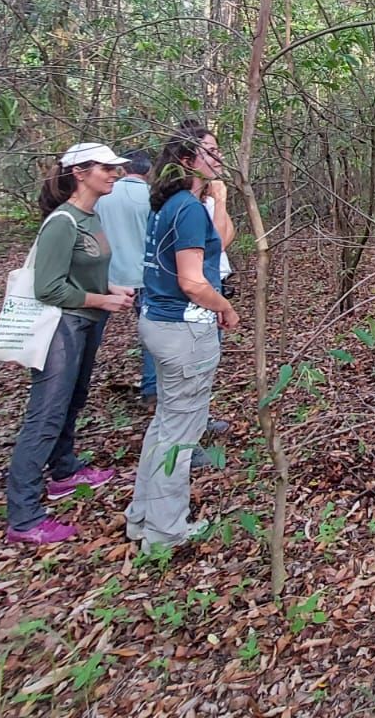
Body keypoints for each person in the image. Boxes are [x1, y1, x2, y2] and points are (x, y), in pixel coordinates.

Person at [5, 143, 136, 545]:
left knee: (73, 400)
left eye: (116, 168)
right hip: (61, 328)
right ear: (80, 172)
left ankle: (64, 470)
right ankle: (23, 516)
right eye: (105, 168)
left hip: (85, 323)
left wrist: (108, 288)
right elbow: (48, 287)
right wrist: (102, 299)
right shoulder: (62, 221)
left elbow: (81, 271)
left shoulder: (89, 216)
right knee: (45, 413)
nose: (114, 174)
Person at [124, 124, 239, 552]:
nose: (218, 158)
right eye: (209, 152)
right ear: (187, 160)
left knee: (165, 427)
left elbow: (217, 244)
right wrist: (224, 306)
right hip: (183, 329)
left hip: (159, 321)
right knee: (179, 435)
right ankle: (165, 532)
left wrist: (221, 198)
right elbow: (193, 281)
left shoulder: (174, 204)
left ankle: (143, 517)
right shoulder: (185, 208)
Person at [95, 149, 153, 398]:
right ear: (148, 171)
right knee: (151, 334)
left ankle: (74, 386)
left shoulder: (102, 196)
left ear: (122, 169)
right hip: (145, 275)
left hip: (106, 277)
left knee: (90, 333)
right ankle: (152, 389)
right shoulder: (153, 196)